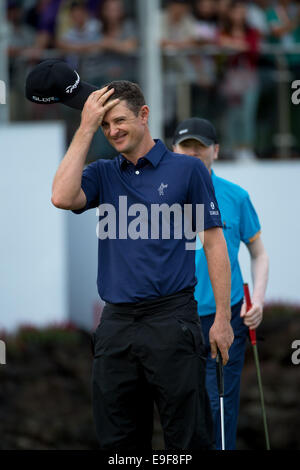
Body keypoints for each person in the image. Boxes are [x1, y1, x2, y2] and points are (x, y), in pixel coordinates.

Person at [48, 65, 234, 450]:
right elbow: (62, 198)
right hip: (115, 323)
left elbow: (213, 243)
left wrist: (222, 319)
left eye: (119, 121)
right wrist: (85, 127)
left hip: (172, 319)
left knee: (187, 440)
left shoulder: (188, 171)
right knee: (119, 443)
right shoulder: (102, 174)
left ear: (144, 115)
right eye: (105, 126)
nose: (112, 131)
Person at [172, 117, 269, 449]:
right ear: (174, 149)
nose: (194, 153)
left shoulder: (235, 196)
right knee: (181, 407)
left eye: (201, 146)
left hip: (224, 316)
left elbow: (258, 252)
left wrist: (256, 298)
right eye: (187, 146)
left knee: (219, 404)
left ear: (215, 150)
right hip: (174, 317)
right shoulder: (159, 197)